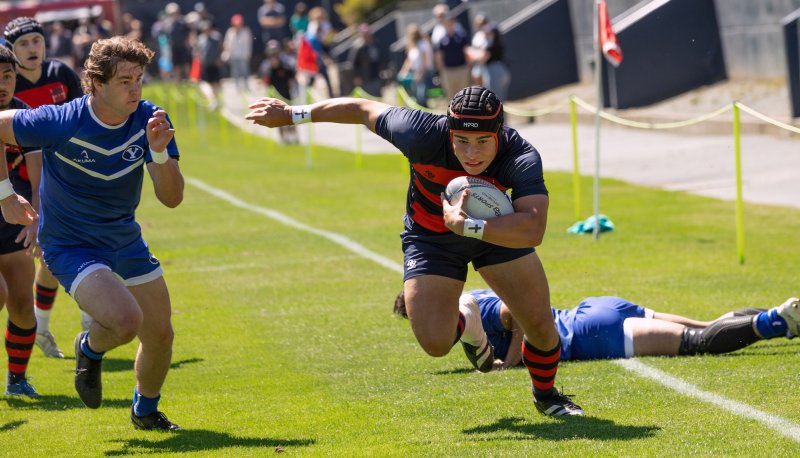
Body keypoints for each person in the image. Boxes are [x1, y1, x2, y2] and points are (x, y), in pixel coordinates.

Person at [245, 85, 585, 417]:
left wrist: (471, 227)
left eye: (483, 141)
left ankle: (546, 396)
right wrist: (293, 114)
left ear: (500, 133)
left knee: (540, 324)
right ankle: (467, 321)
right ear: (448, 131)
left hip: (494, 232)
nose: (471, 153)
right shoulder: (420, 133)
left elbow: (533, 228)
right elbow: (362, 109)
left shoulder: (520, 154)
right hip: (430, 238)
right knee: (435, 344)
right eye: (462, 141)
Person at [0, 36, 184, 430]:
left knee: (161, 333)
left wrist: (158, 152)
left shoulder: (150, 120)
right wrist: (5, 195)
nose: (135, 89)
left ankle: (145, 411)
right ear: (96, 84)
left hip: (124, 237)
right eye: (124, 81)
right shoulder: (62, 119)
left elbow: (171, 198)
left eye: (139, 79)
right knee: (123, 321)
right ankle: (89, 347)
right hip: (70, 244)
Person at [396, 290, 800, 369]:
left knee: (696, 344)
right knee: (709, 325)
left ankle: (774, 321)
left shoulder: (473, 311)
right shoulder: (470, 298)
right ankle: (786, 318)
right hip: (596, 307)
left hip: (588, 335)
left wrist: (511, 360)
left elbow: (514, 315)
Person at [4, 16, 86, 359]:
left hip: (63, 174)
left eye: (36, 41)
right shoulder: (8, 84)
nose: (32, 48)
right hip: (22, 183)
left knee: (68, 249)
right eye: (23, 44)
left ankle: (62, 325)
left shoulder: (61, 75)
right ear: (11, 51)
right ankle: (50, 325)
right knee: (50, 254)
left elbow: (84, 115)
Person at [0, 45, 40, 398]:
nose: (2, 83)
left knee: (22, 305)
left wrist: (38, 220)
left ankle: (17, 379)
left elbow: (40, 176)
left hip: (15, 221)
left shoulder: (24, 116)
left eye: (8, 76)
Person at [433, 14, 470, 100]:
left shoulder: (461, 37)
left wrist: (468, 66)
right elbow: (439, 55)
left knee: (463, 94)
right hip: (448, 70)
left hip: (461, 68)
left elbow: (466, 51)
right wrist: (441, 69)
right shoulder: (442, 39)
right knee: (451, 95)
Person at [398, 24, 433, 108]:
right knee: (415, 96)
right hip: (415, 72)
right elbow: (409, 60)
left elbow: (424, 61)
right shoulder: (411, 45)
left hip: (423, 72)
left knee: (421, 97)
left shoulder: (422, 44)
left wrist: (420, 74)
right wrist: (403, 70)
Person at [347, 23, 384, 98]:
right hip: (365, 77)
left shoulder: (375, 43)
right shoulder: (357, 46)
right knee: (368, 98)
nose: (366, 35)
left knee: (377, 97)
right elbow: (352, 63)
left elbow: (380, 57)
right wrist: (356, 76)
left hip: (376, 75)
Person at [222, 14, 254, 92]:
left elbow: (248, 44)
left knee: (245, 71)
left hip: (243, 55)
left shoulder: (246, 31)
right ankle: (237, 87)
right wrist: (226, 53)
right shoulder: (230, 32)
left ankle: (246, 86)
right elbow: (226, 43)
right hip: (233, 55)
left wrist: (248, 54)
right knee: (235, 71)